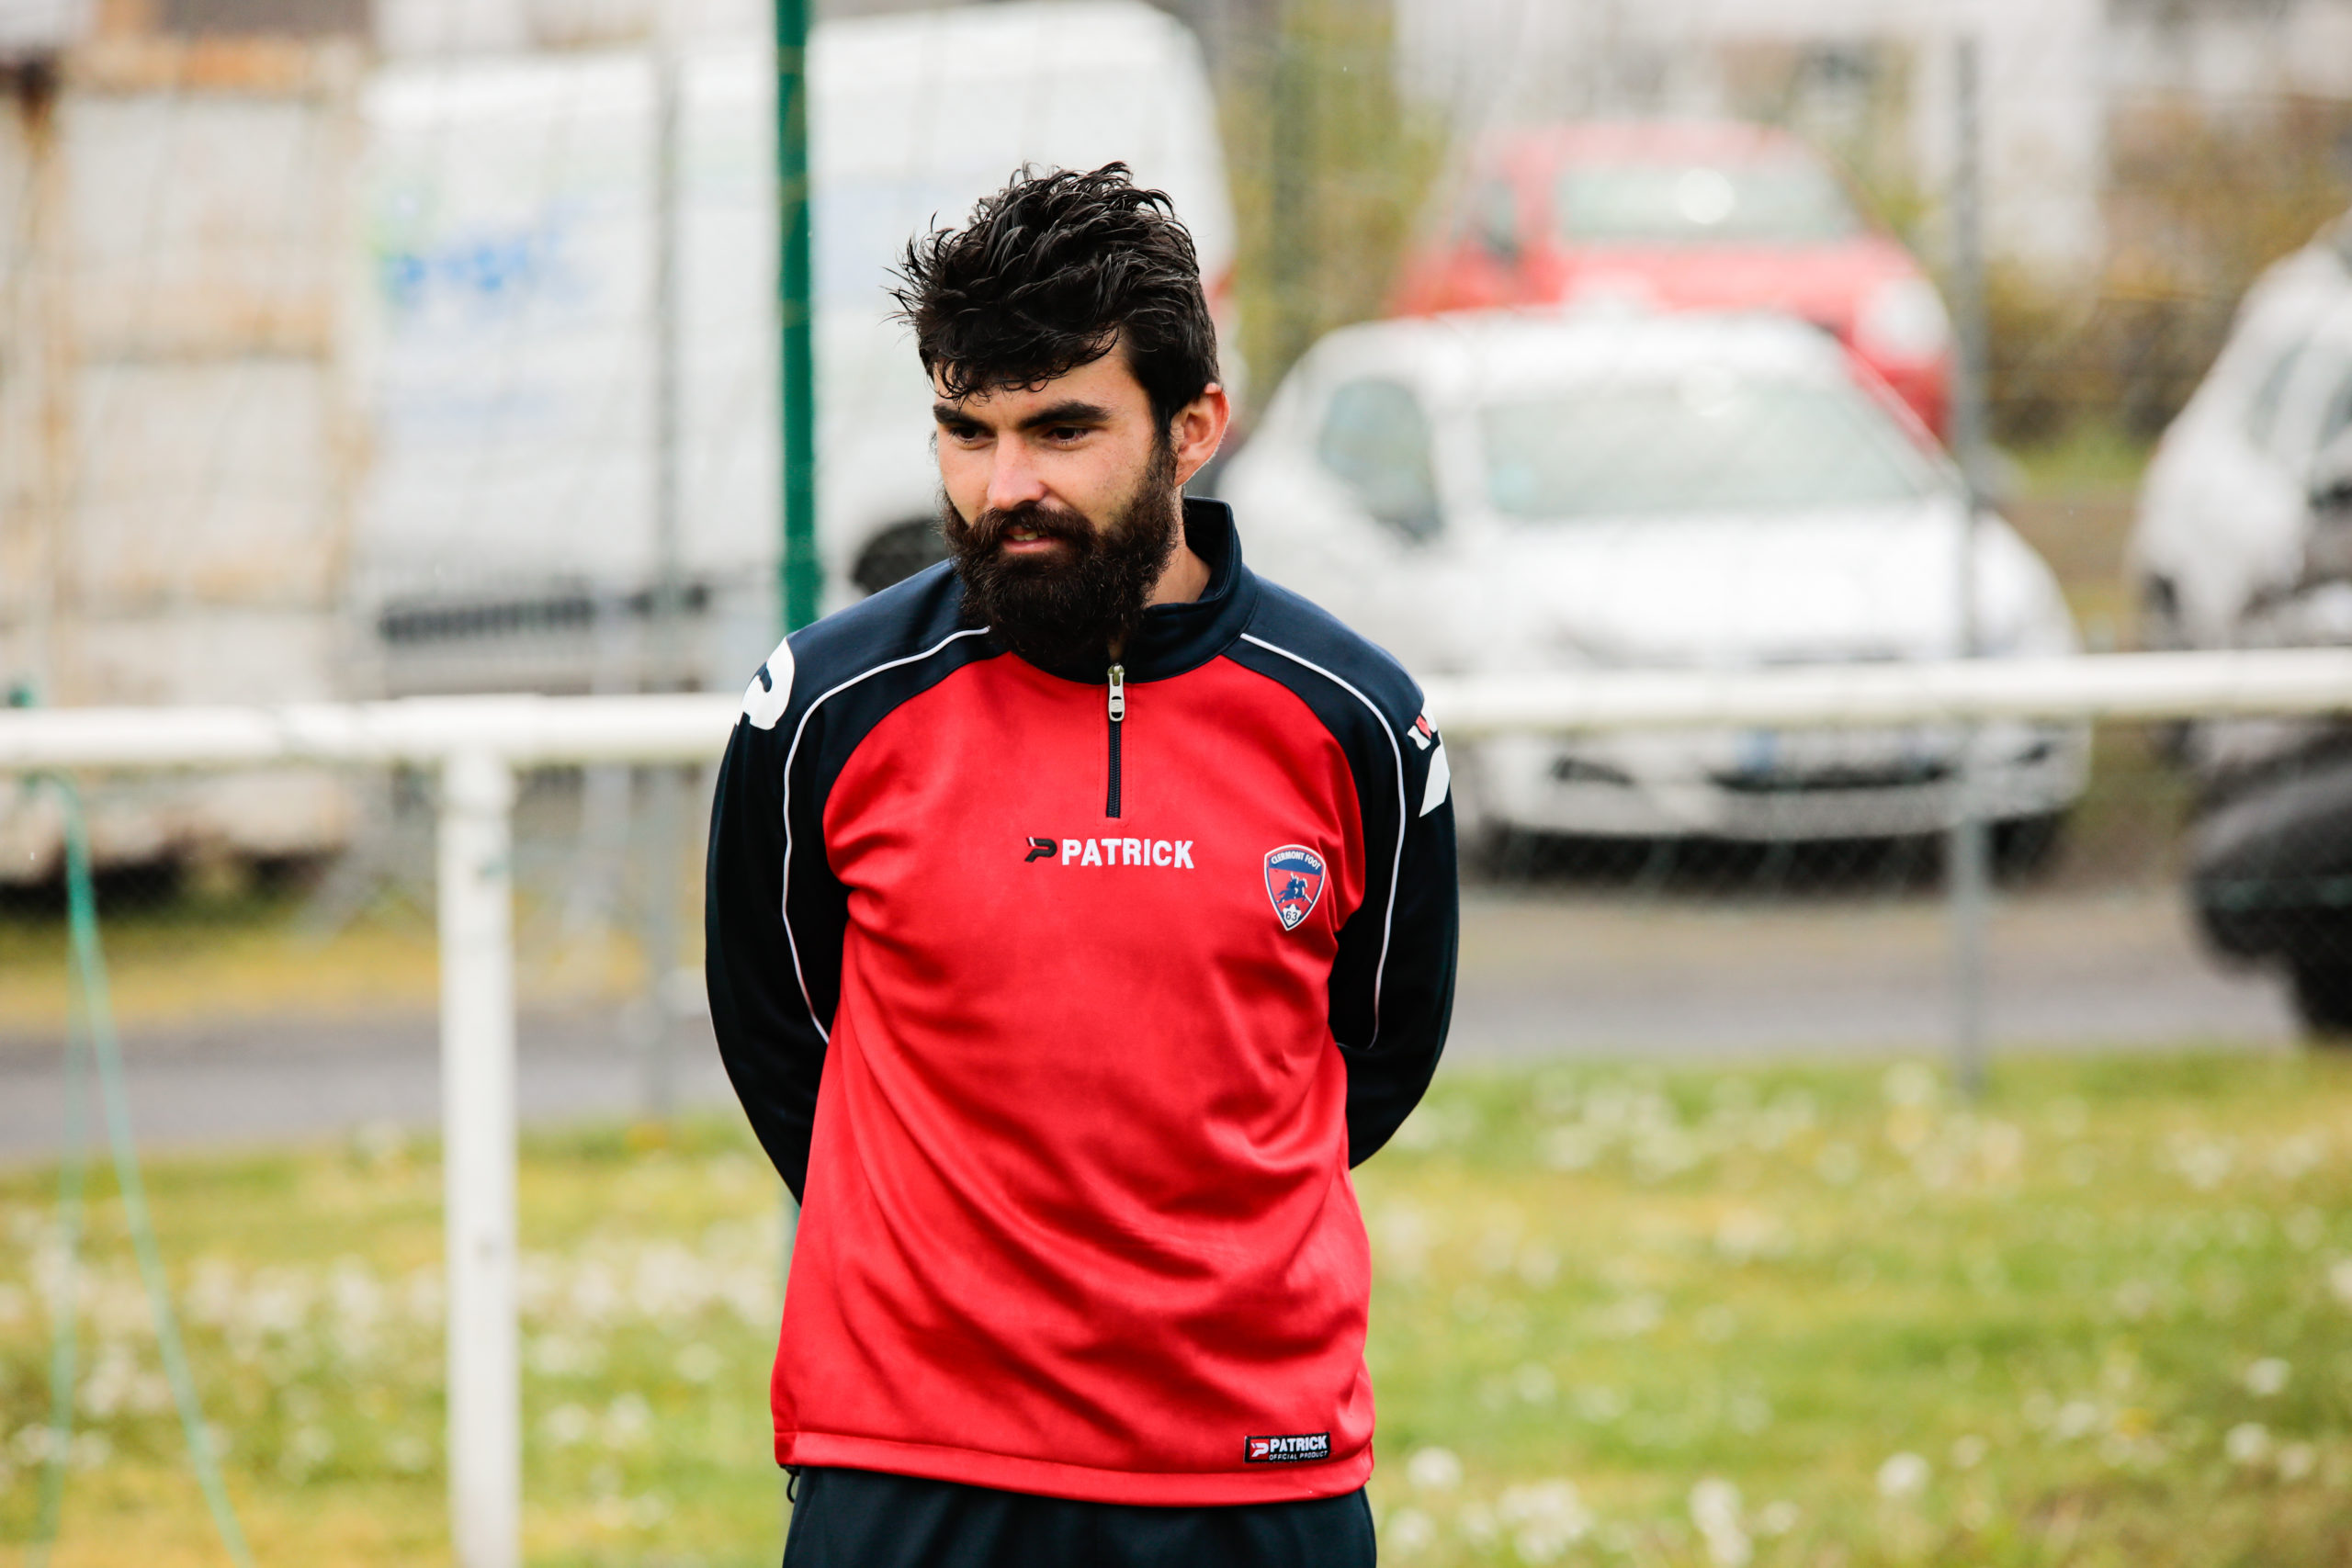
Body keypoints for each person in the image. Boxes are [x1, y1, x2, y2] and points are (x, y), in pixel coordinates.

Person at [705, 163, 1458, 1568]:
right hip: (910, 1456)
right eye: (966, 430)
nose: (1007, 488)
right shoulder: (820, 711)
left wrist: (1190, 1231)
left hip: (1251, 1458)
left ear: (1195, 428)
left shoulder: (1357, 719)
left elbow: (1378, 1046)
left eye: (1062, 430)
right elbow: (776, 1025)